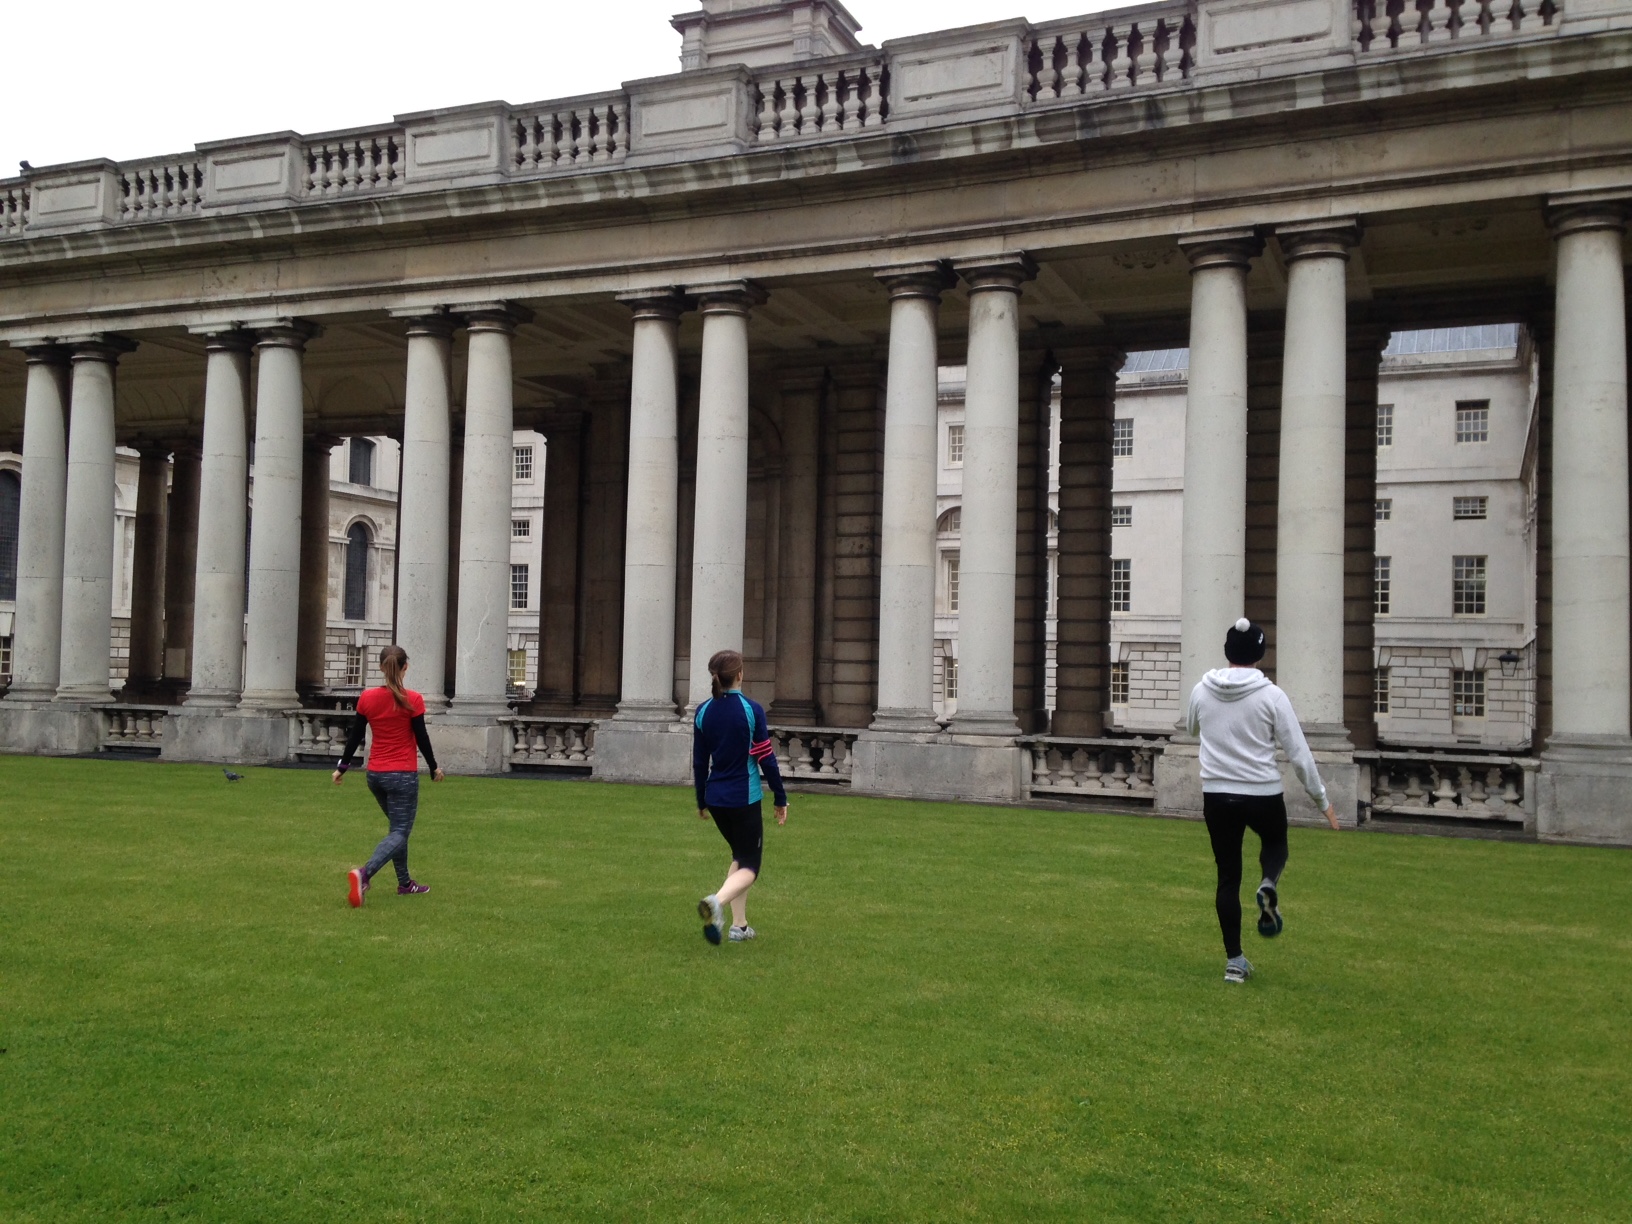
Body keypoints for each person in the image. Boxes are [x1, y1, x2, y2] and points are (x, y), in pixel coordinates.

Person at [1183, 618, 1340, 983]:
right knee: (1275, 844)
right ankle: (1269, 882)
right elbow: (1299, 755)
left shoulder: (1201, 691)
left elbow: (1192, 729)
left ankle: (1234, 961)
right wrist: (1323, 801)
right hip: (1262, 792)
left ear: (1226, 652)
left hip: (1217, 794)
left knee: (1227, 878)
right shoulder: (1272, 696)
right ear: (1260, 653)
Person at [333, 644, 444, 907]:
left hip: (375, 775)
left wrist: (342, 767)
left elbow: (356, 736)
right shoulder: (413, 699)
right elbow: (422, 738)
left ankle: (405, 884)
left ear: (382, 668)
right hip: (402, 775)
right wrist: (433, 767)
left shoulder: (367, 698)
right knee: (401, 832)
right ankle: (364, 874)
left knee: (396, 831)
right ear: (405, 667)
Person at [693, 649, 788, 945]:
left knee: (739, 856)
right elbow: (766, 758)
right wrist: (780, 798)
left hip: (716, 798)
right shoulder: (752, 710)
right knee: (750, 866)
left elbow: (699, 761)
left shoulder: (703, 711)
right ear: (740, 675)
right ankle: (715, 902)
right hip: (743, 797)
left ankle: (740, 926)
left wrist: (701, 800)